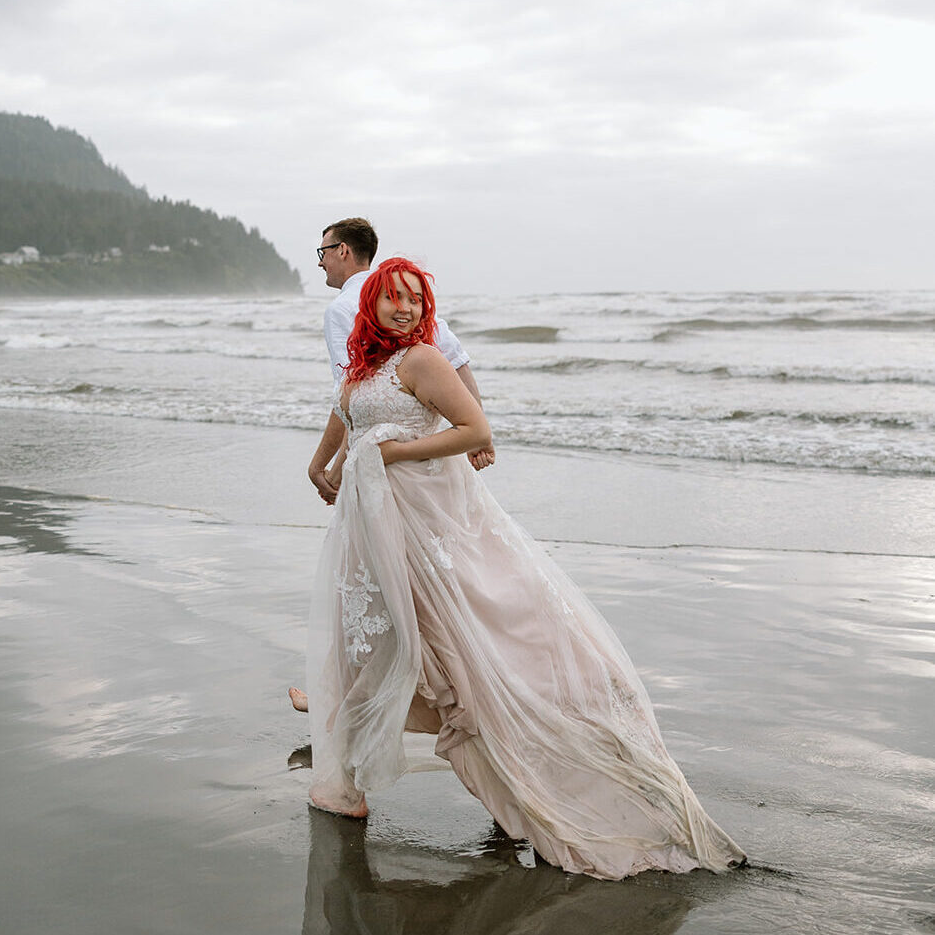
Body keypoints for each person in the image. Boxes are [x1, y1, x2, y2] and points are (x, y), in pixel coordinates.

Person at [302, 257, 746, 881]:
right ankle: (345, 781)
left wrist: (396, 454)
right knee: (376, 638)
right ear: (369, 304)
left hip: (426, 528)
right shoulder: (364, 369)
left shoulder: (422, 360)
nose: (403, 308)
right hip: (373, 529)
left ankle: (527, 764)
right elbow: (348, 419)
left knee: (454, 647)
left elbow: (473, 427)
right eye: (391, 298)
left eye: (414, 298)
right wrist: (320, 465)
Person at [308, 217, 493, 507]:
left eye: (323, 253)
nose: (404, 308)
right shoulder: (404, 291)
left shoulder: (345, 309)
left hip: (395, 481)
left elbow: (351, 405)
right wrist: (478, 435)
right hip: (432, 477)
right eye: (394, 300)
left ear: (342, 250)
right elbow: (457, 361)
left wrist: (331, 469)